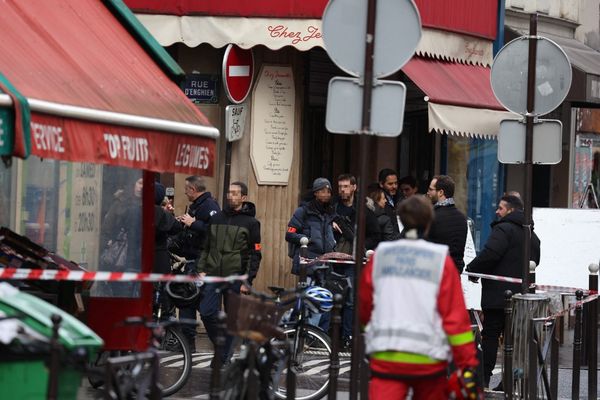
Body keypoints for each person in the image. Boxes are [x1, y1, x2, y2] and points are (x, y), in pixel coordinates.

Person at [359, 195, 481, 399]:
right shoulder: (440, 259)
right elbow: (456, 320)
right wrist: (467, 364)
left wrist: (369, 331)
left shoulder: (381, 256)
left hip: (387, 355)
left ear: (401, 220)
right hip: (429, 359)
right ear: (429, 222)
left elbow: (365, 306)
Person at [466, 194, 541, 388]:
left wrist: (473, 269)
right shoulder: (532, 235)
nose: (497, 211)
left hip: (498, 297)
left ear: (511, 210)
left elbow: (491, 253)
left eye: (500, 208)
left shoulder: (503, 229)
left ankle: (483, 380)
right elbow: (536, 261)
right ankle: (510, 383)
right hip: (521, 296)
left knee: (490, 337)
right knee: (515, 340)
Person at [196, 181, 262, 364]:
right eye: (229, 192)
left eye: (235, 193)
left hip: (236, 277)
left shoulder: (251, 223)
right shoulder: (216, 218)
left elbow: (255, 254)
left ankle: (223, 356)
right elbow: (206, 246)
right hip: (213, 274)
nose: (230, 196)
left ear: (243, 197)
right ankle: (222, 346)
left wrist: (247, 281)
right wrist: (201, 268)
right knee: (207, 312)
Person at [332, 174, 379, 349]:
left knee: (351, 300)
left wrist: (362, 247)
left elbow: (376, 234)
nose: (342, 190)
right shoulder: (333, 208)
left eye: (345, 186)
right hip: (335, 259)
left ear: (354, 188)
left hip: (353, 261)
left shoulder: (363, 210)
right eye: (340, 186)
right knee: (333, 298)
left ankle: (347, 336)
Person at [174, 176, 220, 351]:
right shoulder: (197, 206)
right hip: (192, 261)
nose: (185, 193)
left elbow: (216, 233)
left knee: (206, 308)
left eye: (186, 190)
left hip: (204, 262)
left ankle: (220, 343)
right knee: (186, 302)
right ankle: (187, 344)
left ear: (193, 189)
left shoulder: (210, 206)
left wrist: (194, 224)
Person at [286, 177, 337, 331]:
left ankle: (313, 333)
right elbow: (289, 233)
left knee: (321, 300)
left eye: (328, 191)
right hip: (308, 261)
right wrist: (305, 239)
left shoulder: (330, 213)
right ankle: (297, 329)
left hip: (325, 263)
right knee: (307, 299)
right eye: (322, 191)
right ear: (315, 193)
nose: (326, 194)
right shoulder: (303, 211)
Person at [426, 175, 468, 274]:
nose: (428, 193)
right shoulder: (462, 218)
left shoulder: (431, 217)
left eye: (431, 189)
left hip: (436, 273)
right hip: (455, 273)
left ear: (440, 192)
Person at [378, 168, 401, 236]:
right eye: (390, 184)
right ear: (381, 184)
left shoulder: (400, 197)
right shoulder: (378, 200)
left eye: (396, 183)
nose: (394, 186)